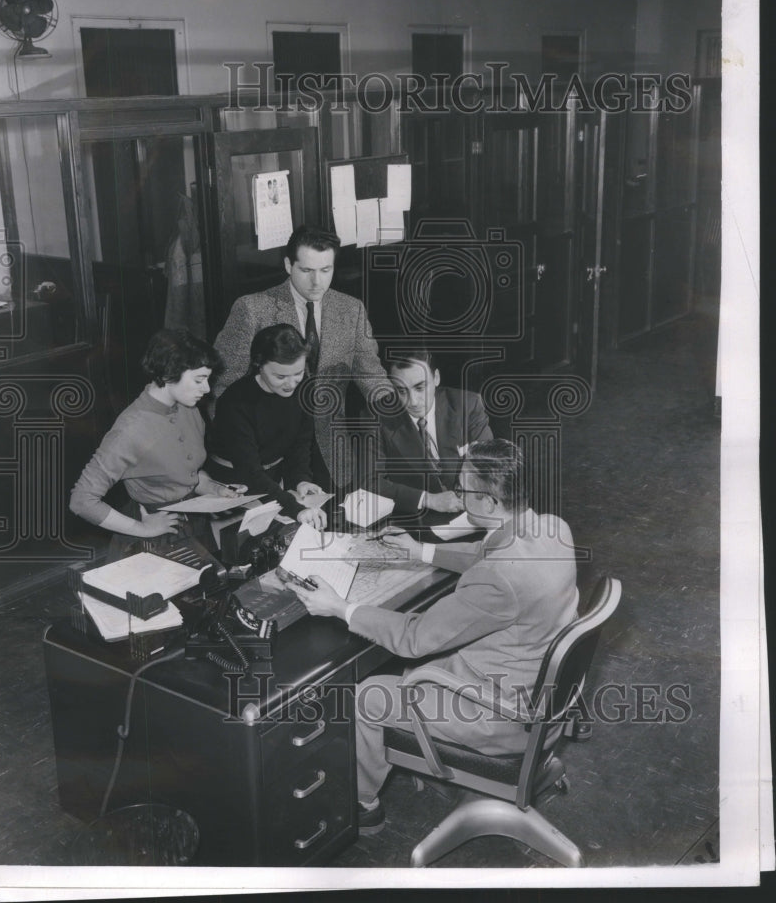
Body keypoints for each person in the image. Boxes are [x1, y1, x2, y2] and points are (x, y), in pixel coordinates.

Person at [287, 439, 578, 834]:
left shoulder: (499, 578)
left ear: (490, 503)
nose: (457, 495)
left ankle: (362, 806)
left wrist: (340, 607)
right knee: (411, 665)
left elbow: (416, 638)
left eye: (462, 489)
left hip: (502, 716)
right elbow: (491, 554)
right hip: (539, 691)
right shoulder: (551, 528)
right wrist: (419, 552)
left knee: (367, 696)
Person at [212, 225, 390, 489]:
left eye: (325, 270)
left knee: (333, 518)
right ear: (288, 265)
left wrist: (398, 408)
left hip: (330, 443)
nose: (317, 282)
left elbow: (370, 373)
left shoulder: (351, 309)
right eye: (306, 271)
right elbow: (223, 384)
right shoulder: (252, 309)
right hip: (267, 448)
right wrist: (241, 444)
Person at [69, 328, 242, 556]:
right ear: (170, 374)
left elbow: (185, 474)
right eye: (199, 380)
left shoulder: (188, 409)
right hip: (153, 536)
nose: (207, 389)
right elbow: (81, 501)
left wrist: (213, 488)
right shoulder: (130, 429)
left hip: (194, 524)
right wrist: (143, 528)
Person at [206, 324, 327, 530]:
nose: (291, 384)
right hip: (233, 486)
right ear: (258, 365)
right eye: (280, 376)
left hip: (270, 481)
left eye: (297, 373)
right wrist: (295, 509)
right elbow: (250, 471)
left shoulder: (303, 388)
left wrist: (300, 481)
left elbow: (300, 444)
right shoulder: (235, 402)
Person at [362, 348, 492, 519]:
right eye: (401, 391)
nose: (413, 401)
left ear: (436, 378)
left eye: (420, 387)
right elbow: (371, 482)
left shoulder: (468, 405)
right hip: (414, 520)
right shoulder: (376, 417)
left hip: (470, 516)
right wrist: (428, 499)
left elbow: (491, 466)